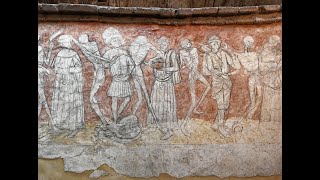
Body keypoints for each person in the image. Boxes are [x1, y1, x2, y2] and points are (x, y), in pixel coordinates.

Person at [201, 36, 241, 137]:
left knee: (226, 105)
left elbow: (234, 65)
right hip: (217, 82)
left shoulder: (224, 53)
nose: (215, 45)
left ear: (219, 44)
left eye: (217, 43)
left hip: (226, 81)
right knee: (221, 105)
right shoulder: (208, 55)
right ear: (210, 45)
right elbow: (207, 70)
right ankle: (221, 126)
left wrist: (230, 53)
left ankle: (216, 124)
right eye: (213, 43)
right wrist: (216, 72)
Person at [51, 34, 85, 137]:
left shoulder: (74, 54)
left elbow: (79, 68)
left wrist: (69, 70)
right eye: (68, 42)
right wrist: (61, 72)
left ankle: (73, 127)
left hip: (72, 83)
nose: (69, 44)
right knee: (61, 103)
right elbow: (55, 68)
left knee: (72, 103)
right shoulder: (59, 54)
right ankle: (62, 125)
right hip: (61, 82)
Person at [147, 36, 181, 140]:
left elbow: (176, 67)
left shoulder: (172, 53)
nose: (162, 44)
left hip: (167, 83)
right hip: (157, 82)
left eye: (164, 42)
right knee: (156, 103)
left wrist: (164, 69)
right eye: (161, 43)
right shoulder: (158, 53)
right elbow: (152, 64)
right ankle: (158, 126)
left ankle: (169, 130)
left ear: (167, 43)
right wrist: (152, 63)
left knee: (167, 105)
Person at [72, 34, 110, 126]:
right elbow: (81, 46)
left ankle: (105, 121)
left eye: (83, 38)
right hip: (98, 72)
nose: (81, 39)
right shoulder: (89, 46)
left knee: (93, 98)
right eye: (80, 39)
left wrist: (74, 40)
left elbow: (92, 55)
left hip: (100, 74)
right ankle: (104, 120)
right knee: (93, 99)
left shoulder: (90, 46)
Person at [101, 27, 135, 123]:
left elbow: (131, 64)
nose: (116, 42)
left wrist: (128, 73)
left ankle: (119, 113)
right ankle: (115, 118)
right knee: (114, 99)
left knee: (127, 98)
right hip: (116, 78)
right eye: (114, 40)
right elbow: (105, 65)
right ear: (110, 43)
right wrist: (110, 63)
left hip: (125, 78)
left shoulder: (124, 52)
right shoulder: (108, 53)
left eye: (117, 40)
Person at [179, 38, 210, 136]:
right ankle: (183, 125)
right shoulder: (181, 52)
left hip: (196, 73)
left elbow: (196, 62)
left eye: (189, 43)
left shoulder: (194, 50)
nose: (188, 44)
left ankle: (196, 107)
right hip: (191, 76)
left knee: (208, 86)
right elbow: (182, 64)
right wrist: (184, 66)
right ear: (182, 45)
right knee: (192, 101)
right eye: (186, 44)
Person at [129, 36, 162, 125]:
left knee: (142, 96)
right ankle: (133, 116)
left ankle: (136, 116)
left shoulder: (145, 45)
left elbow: (159, 53)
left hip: (135, 69)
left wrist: (150, 60)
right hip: (135, 70)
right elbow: (135, 60)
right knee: (144, 96)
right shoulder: (135, 45)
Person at [235, 36, 262, 120]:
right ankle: (249, 116)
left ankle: (251, 113)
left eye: (250, 42)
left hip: (259, 78)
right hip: (252, 79)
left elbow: (257, 65)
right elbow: (249, 67)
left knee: (260, 96)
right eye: (247, 42)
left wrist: (255, 65)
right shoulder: (241, 56)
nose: (249, 44)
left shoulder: (255, 54)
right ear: (245, 43)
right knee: (252, 98)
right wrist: (255, 65)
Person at [258, 35, 282, 122]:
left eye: (277, 43)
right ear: (271, 42)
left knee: (277, 103)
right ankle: (266, 122)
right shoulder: (263, 52)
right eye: (275, 43)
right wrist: (273, 65)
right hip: (268, 81)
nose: (277, 45)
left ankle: (276, 121)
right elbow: (261, 67)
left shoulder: (278, 52)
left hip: (278, 80)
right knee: (267, 103)